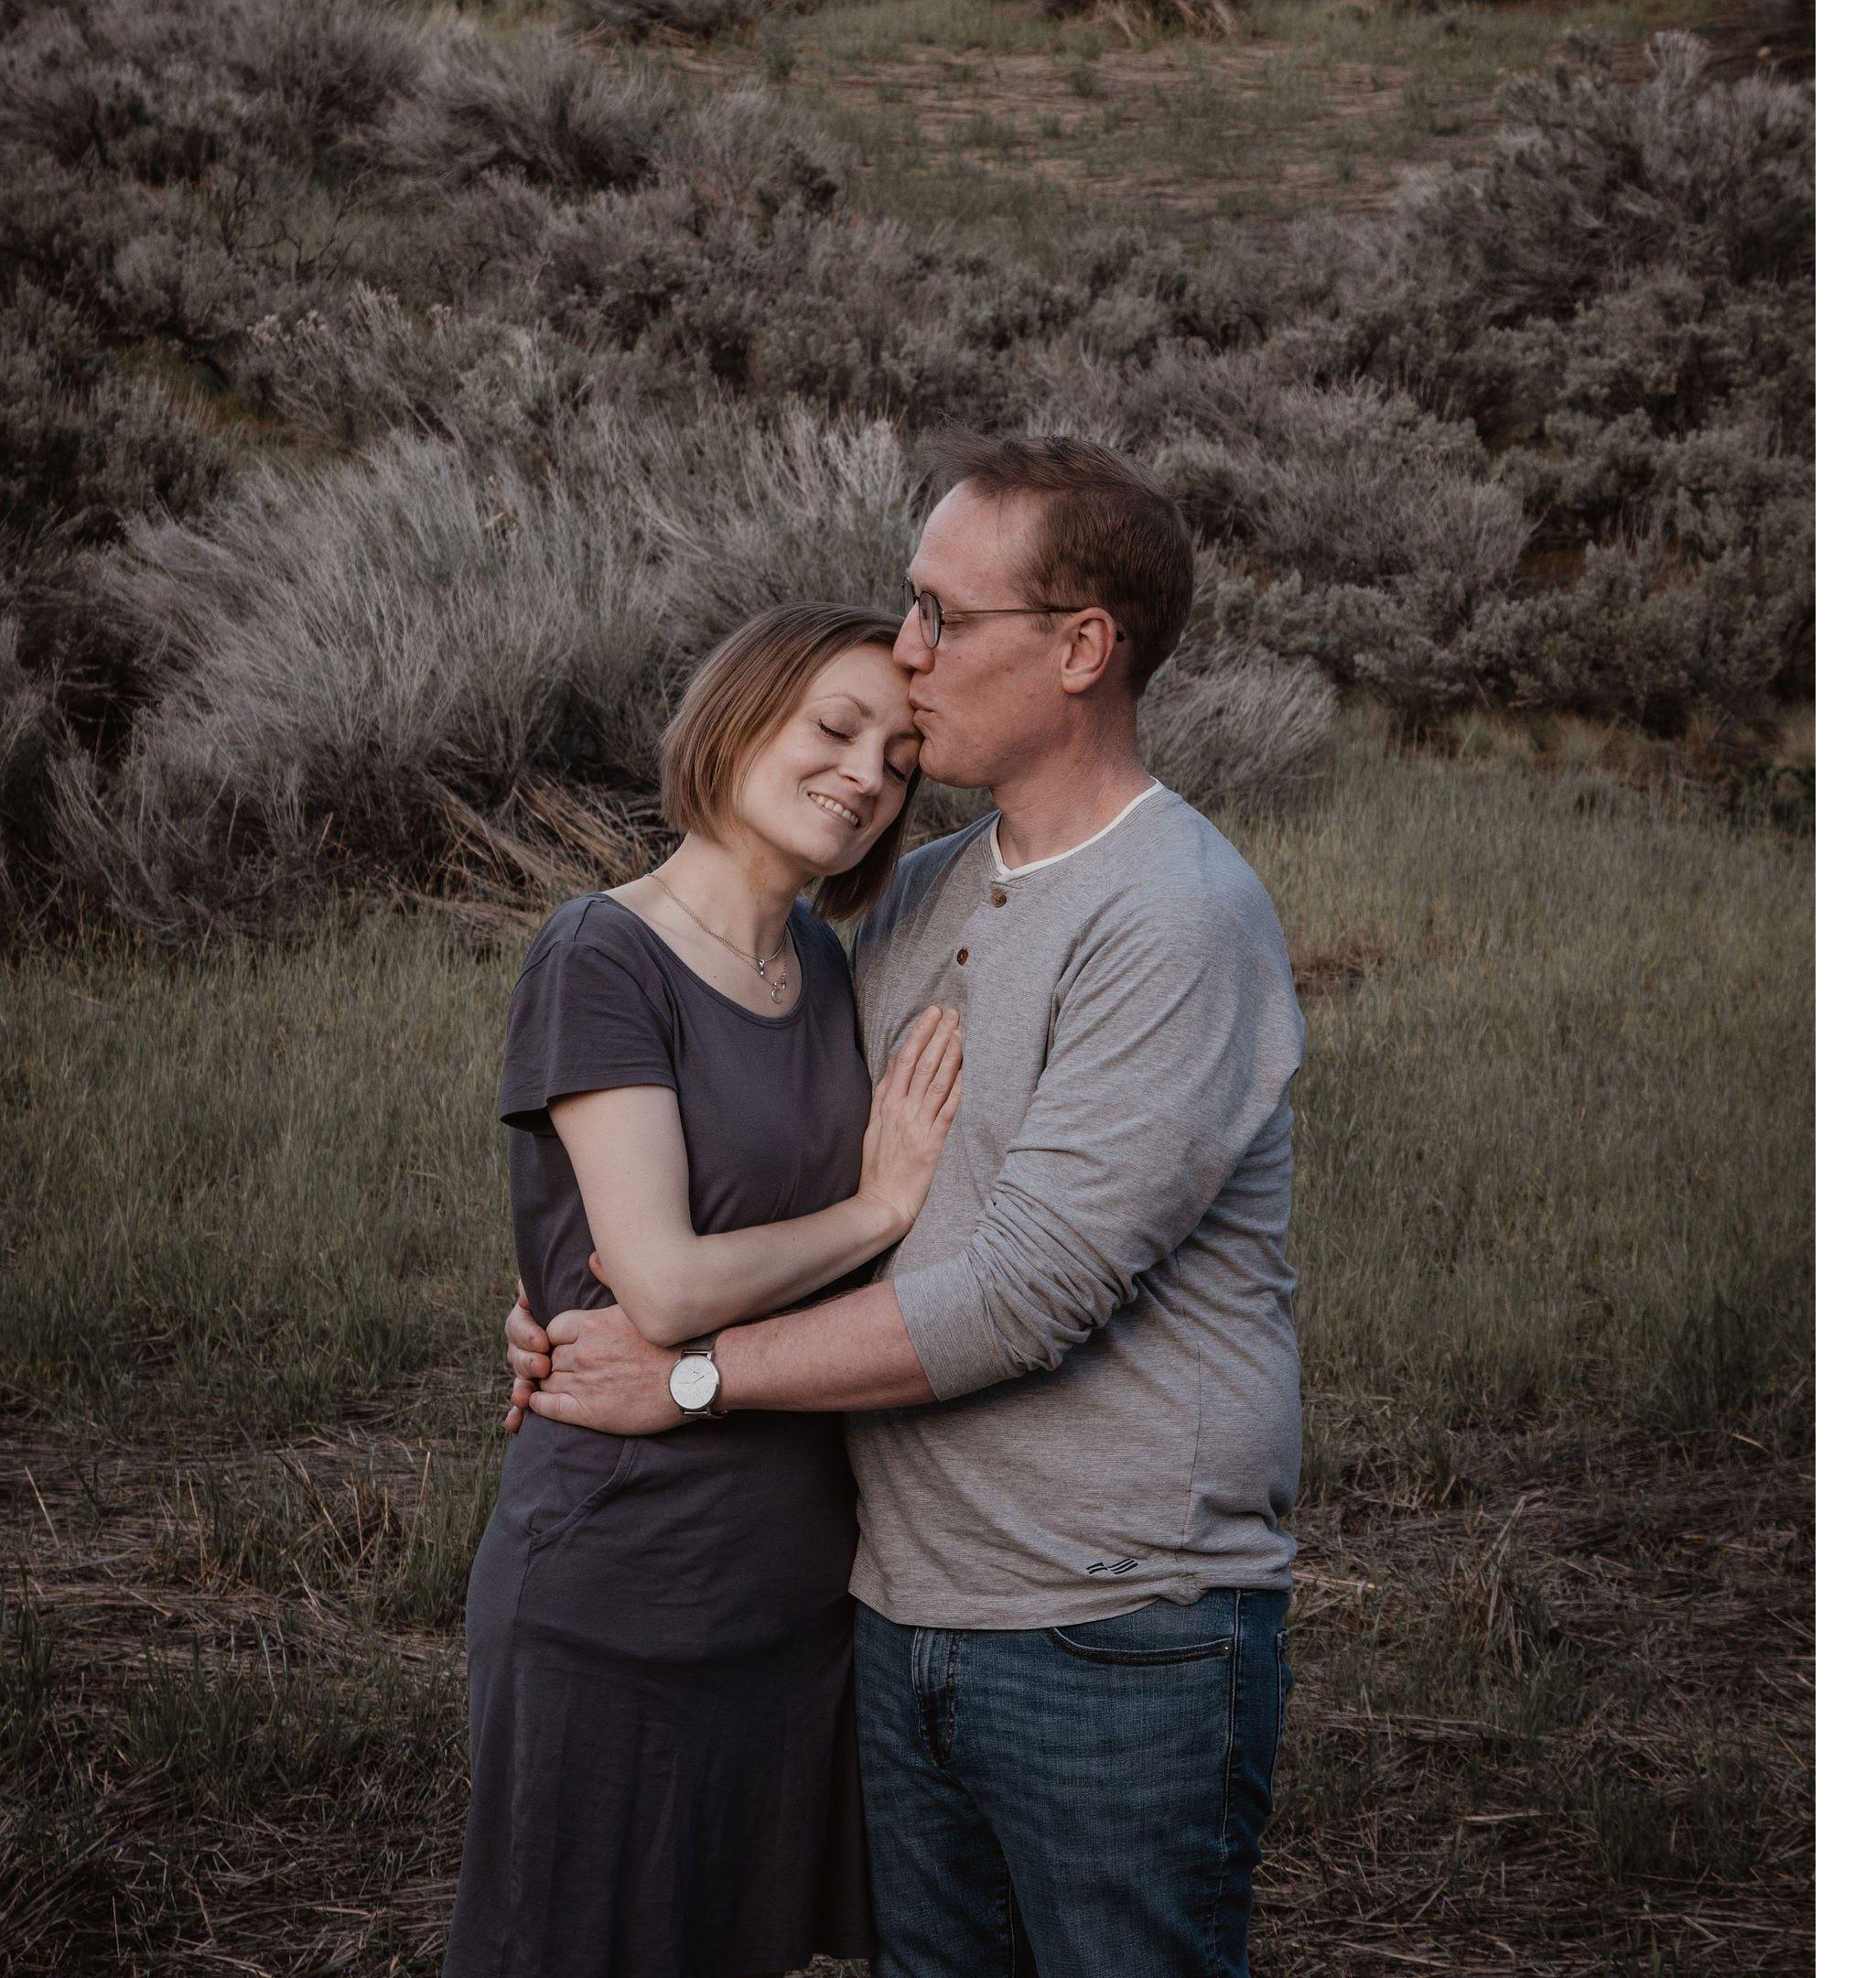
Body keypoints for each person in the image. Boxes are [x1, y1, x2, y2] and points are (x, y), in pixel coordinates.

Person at [508, 436, 1308, 1978]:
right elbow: (773, 1164)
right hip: (890, 1602)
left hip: (1113, 1624)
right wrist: (578, 1298)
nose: (911, 648)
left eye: (947, 614)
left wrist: (688, 1373)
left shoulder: (1176, 915)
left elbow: (1026, 1292)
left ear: (1082, 648)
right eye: (910, 605)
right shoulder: (913, 893)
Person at [445, 603, 965, 1978]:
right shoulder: (600, 954)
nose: (867, 775)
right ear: (736, 720)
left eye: (901, 757)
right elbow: (665, 1285)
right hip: (623, 1578)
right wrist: (879, 1207)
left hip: (794, 1589)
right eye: (835, 728)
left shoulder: (826, 968)